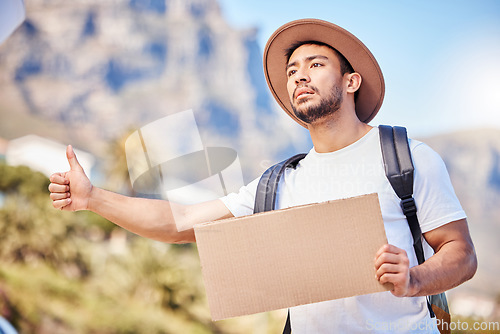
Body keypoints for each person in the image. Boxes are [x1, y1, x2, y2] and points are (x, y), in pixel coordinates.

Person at [49, 19, 477, 333]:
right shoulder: (280, 182)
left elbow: (462, 254)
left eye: (315, 64)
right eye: (292, 71)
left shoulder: (406, 158)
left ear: (351, 81)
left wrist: (414, 279)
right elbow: (178, 223)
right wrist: (92, 198)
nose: (299, 76)